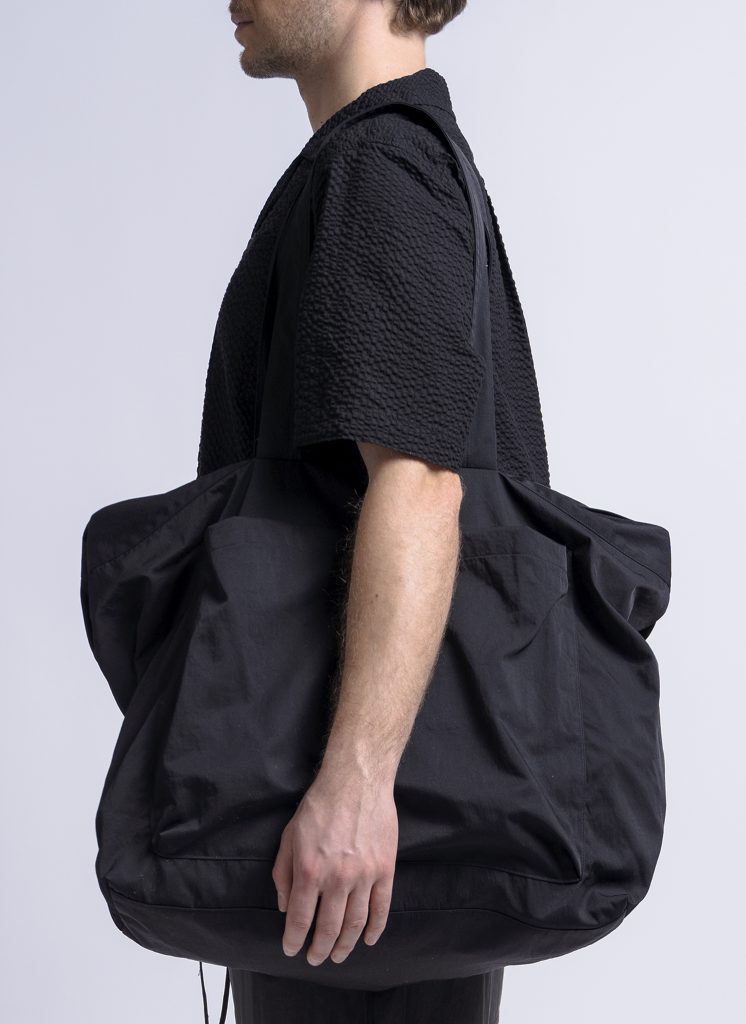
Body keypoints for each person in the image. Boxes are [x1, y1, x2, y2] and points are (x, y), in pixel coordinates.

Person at [196, 1, 550, 1020]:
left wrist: (354, 786)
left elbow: (420, 480)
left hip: (355, 842)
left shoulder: (380, 166)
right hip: (362, 830)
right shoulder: (385, 162)